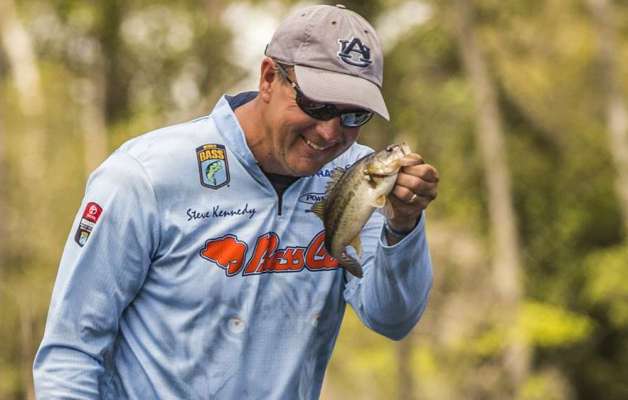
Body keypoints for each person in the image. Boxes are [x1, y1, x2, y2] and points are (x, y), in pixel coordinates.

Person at [33, 4, 439, 399]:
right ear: (268, 78)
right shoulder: (143, 176)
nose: (330, 133)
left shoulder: (357, 177)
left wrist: (402, 225)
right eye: (317, 105)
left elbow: (392, 318)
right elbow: (71, 352)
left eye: (354, 116)